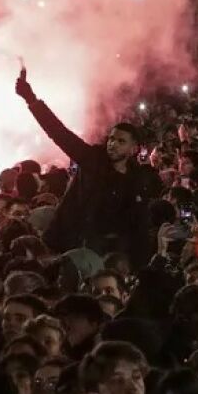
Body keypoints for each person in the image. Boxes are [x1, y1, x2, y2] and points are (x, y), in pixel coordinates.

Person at [16, 69, 160, 262]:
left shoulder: (136, 180)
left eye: (121, 141)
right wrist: (31, 100)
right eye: (111, 139)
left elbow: (139, 225)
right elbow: (59, 133)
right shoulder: (92, 159)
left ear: (134, 149)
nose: (113, 144)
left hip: (107, 255)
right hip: (68, 245)